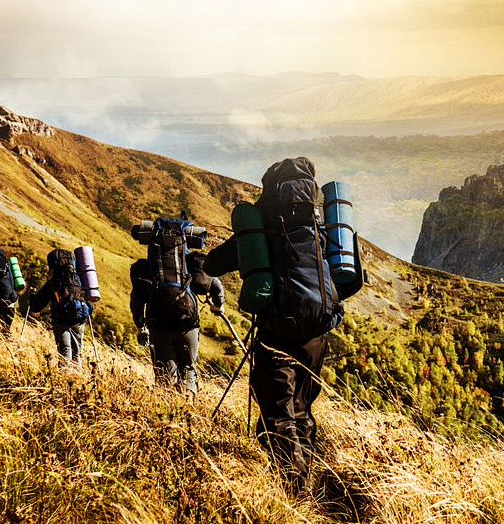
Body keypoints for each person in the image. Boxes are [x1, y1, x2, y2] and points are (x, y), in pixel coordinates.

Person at [204, 158, 363, 492]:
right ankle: (305, 481)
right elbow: (351, 278)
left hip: (277, 331)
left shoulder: (264, 222)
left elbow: (214, 265)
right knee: (302, 409)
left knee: (277, 414)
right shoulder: (321, 222)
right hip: (318, 331)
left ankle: (293, 494)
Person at [130, 240, 225, 399]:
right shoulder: (190, 265)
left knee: (165, 376)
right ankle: (187, 408)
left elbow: (137, 301)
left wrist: (140, 327)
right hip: (187, 326)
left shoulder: (147, 269)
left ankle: (167, 411)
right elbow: (215, 284)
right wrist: (218, 305)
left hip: (158, 327)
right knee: (188, 370)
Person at [25, 248, 92, 371]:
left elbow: (35, 306)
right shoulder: (79, 278)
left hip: (61, 321)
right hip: (79, 319)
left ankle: (65, 382)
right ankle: (78, 383)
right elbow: (91, 302)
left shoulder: (53, 282)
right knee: (76, 354)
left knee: (65, 352)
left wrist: (31, 295)